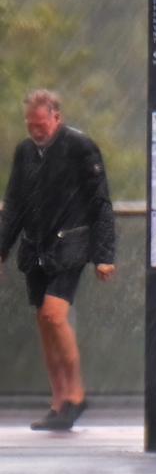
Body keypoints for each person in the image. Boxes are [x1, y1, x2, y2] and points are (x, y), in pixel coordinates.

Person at [0, 89, 116, 431]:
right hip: (35, 248)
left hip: (70, 245)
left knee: (54, 315)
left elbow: (101, 204)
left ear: (56, 117)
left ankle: (77, 395)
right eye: (30, 125)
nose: (36, 130)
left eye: (41, 124)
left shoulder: (80, 147)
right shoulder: (24, 152)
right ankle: (59, 401)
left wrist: (104, 256)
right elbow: (14, 204)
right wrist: (2, 247)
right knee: (45, 324)